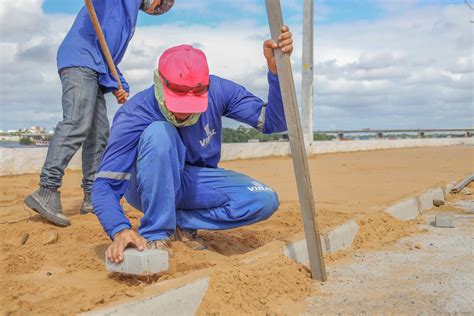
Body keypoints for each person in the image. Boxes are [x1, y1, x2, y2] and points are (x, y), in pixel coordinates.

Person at [93, 26, 294, 263]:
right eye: (177, 102)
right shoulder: (134, 114)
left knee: (264, 199)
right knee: (160, 133)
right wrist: (119, 228)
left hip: (194, 181)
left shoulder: (219, 90)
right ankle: (157, 232)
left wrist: (276, 71)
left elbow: (274, 122)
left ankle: (180, 221)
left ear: (205, 88)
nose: (182, 113)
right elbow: (105, 184)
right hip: (148, 184)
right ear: (160, 83)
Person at [25, 0, 175, 227]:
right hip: (79, 60)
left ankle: (93, 196)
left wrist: (120, 84)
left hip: (96, 68)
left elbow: (110, 57)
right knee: (77, 123)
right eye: (157, 7)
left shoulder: (129, 18)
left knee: (98, 135)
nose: (152, 10)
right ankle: (47, 189)